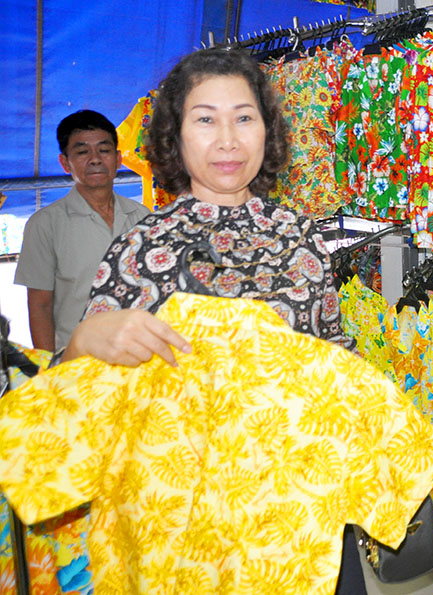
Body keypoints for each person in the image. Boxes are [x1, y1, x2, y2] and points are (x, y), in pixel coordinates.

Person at [61, 49, 366, 593]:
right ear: (174, 138)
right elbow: (75, 402)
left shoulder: (302, 238)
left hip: (303, 511)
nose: (228, 139)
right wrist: (83, 342)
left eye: (244, 117)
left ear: (267, 132)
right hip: (187, 533)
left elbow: (339, 360)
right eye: (205, 119)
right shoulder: (138, 248)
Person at [14, 110, 150, 352]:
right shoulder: (45, 224)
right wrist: (51, 372)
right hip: (78, 363)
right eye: (82, 151)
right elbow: (40, 306)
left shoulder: (143, 217)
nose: (95, 159)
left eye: (104, 150)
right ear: (65, 162)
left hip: (140, 359)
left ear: (118, 159)